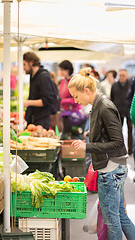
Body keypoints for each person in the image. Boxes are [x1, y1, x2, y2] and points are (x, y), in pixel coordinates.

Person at [68, 67, 135, 240]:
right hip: (114, 168)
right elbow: (108, 135)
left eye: (76, 96)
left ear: (87, 91)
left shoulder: (104, 106)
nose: (75, 101)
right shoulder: (98, 105)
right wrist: (91, 135)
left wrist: (88, 146)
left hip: (111, 170)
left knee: (112, 221)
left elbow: (118, 142)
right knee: (120, 216)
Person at [23, 52, 55, 130]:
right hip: (33, 120)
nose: (23, 67)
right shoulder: (33, 76)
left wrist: (28, 103)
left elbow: (47, 100)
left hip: (41, 122)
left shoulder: (43, 77)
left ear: (31, 62)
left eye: (24, 64)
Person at [58, 60, 82, 139]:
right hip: (64, 112)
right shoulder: (62, 81)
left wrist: (63, 101)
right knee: (64, 134)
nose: (61, 72)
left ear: (67, 70)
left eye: (62, 70)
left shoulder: (74, 82)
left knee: (70, 136)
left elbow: (76, 98)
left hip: (73, 114)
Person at [111, 69, 132, 155]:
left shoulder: (131, 85)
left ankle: (130, 149)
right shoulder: (114, 85)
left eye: (123, 75)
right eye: (120, 75)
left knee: (130, 130)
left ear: (126, 76)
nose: (121, 77)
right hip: (118, 111)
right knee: (118, 131)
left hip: (129, 110)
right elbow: (112, 98)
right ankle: (119, 148)